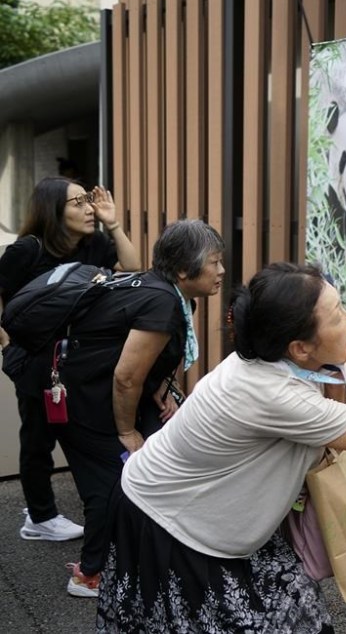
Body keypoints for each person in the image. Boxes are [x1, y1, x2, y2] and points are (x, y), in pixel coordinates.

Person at [96, 263, 346, 633]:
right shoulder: (271, 393)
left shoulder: (280, 362)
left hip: (218, 518)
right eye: (336, 316)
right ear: (299, 347)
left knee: (296, 612)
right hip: (169, 523)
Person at [58, 219, 226, 598]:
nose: (221, 271)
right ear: (184, 270)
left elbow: (138, 358)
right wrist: (126, 433)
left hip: (99, 394)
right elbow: (126, 378)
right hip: (85, 404)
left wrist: (163, 386)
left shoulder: (168, 292)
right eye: (214, 262)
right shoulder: (164, 303)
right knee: (112, 486)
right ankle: (88, 575)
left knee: (149, 472)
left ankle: (145, 559)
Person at [0, 177, 140, 545]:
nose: (89, 209)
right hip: (35, 361)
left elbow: (133, 266)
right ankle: (40, 517)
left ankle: (90, 502)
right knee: (38, 439)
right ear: (53, 211)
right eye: (78, 203)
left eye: (88, 201)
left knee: (78, 430)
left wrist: (113, 223)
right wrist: (6, 345)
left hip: (79, 361)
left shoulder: (93, 245)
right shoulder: (26, 251)